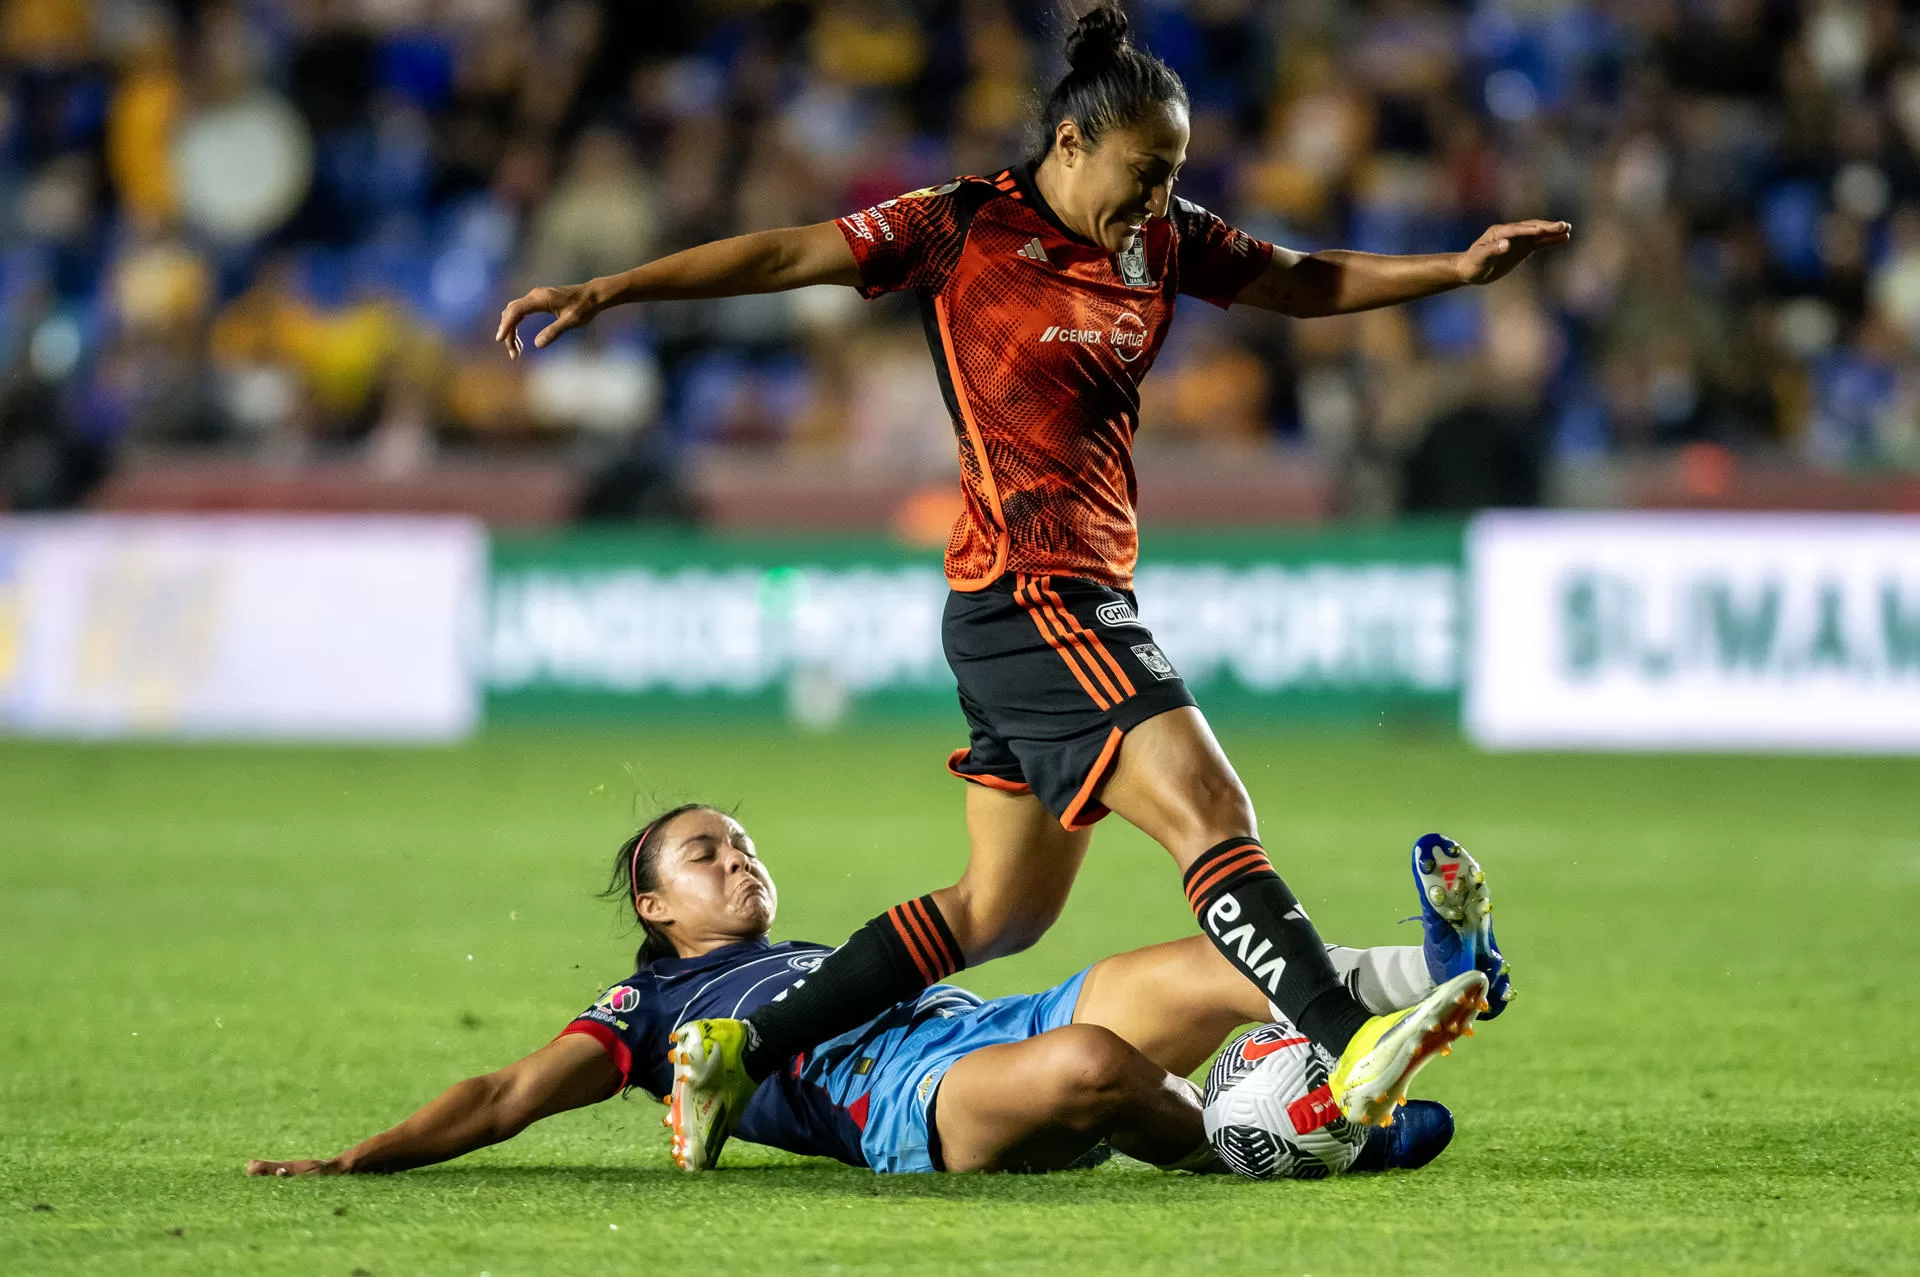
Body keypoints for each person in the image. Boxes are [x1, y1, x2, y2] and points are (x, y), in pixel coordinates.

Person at [496, 5, 1541, 1171]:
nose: (1160, 199)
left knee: (1000, 908)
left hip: (1067, 591)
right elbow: (790, 252)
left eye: (1175, 177)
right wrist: (613, 291)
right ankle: (1347, 1042)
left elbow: (1295, 279)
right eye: (1147, 173)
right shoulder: (960, 225)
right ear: (1074, 144)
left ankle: (745, 1048)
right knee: (1212, 814)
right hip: (1030, 588)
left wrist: (1453, 269)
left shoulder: (1157, 239)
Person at [246, 806, 1493, 1179]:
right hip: (915, 1097)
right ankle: (1279, 1145)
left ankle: (1425, 983)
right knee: (1097, 1064)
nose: (739, 861)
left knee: (1217, 962)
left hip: (978, 1022)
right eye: (703, 855)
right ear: (652, 908)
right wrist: (363, 1160)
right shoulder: (649, 1019)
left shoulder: (817, 955)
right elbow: (505, 1092)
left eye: (743, 844)